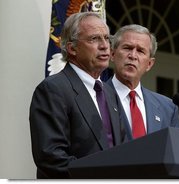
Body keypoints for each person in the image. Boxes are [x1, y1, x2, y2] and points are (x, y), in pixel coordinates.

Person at [29, 12, 126, 179]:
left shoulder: (110, 92)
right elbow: (51, 157)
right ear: (72, 48)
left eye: (106, 39)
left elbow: (121, 149)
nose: (105, 46)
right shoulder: (53, 89)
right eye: (94, 39)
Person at [107, 24, 179, 140]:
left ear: (149, 64)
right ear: (112, 54)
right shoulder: (96, 96)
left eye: (141, 51)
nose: (133, 56)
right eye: (127, 48)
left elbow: (173, 153)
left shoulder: (168, 108)